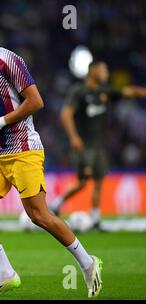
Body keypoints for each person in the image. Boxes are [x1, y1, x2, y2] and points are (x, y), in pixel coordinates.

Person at [0, 3, 102, 298]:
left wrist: (0, 123)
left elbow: (35, 101)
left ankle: (87, 263)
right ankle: (6, 273)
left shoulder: (8, 60)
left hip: (24, 149)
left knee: (39, 215)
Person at [50, 61, 146, 229]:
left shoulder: (104, 91)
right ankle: (56, 205)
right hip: (83, 145)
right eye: (104, 70)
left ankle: (95, 217)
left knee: (99, 180)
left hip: (99, 145)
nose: (107, 74)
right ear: (93, 72)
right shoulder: (79, 92)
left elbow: (129, 91)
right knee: (83, 180)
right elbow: (66, 114)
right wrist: (73, 137)